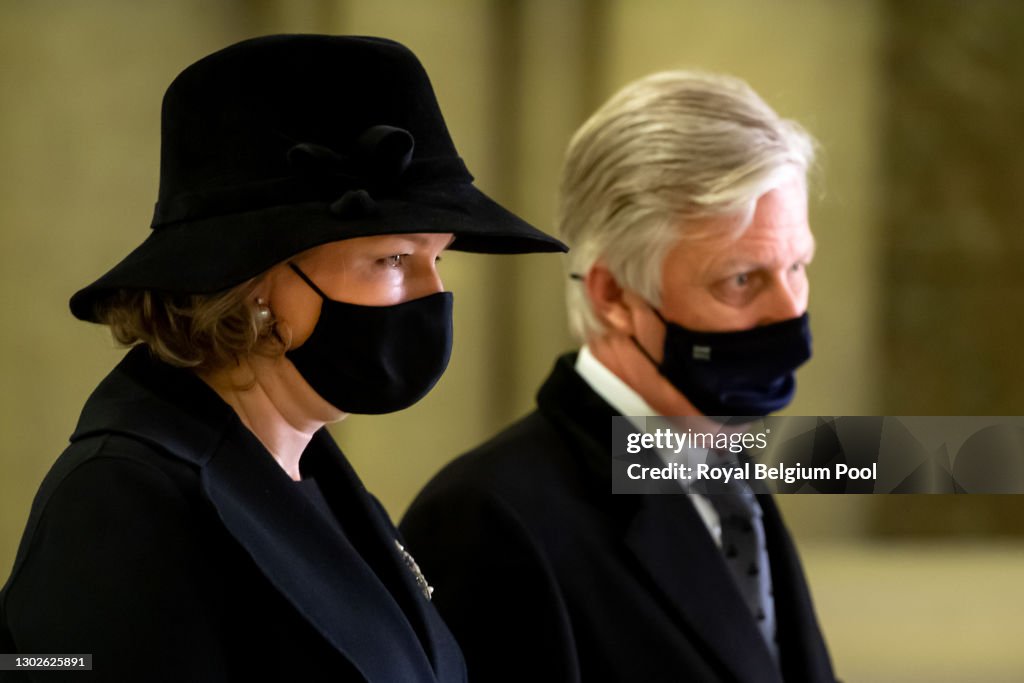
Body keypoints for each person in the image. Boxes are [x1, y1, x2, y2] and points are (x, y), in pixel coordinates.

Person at [0, 35, 563, 681]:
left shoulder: (314, 473)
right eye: (393, 259)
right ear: (256, 278)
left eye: (439, 257)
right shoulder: (120, 495)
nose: (434, 294)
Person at [400, 71, 837, 682]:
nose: (790, 309)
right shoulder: (486, 519)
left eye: (797, 266)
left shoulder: (728, 465)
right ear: (611, 294)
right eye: (741, 279)